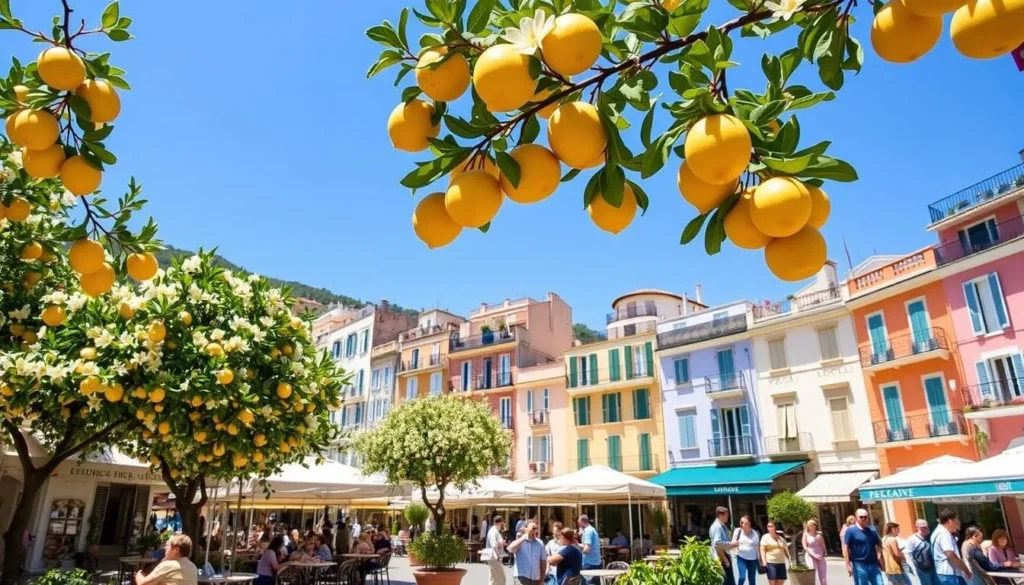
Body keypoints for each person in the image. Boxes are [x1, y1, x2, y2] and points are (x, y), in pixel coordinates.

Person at [845, 508, 885, 585]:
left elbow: (877, 546)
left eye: (865, 517)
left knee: (880, 583)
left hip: (873, 564)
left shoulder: (872, 530)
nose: (863, 519)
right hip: (859, 564)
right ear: (856, 517)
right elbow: (845, 547)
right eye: (861, 517)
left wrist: (881, 561)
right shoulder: (851, 531)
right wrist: (847, 564)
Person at [933, 508, 972, 585]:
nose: (957, 525)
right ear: (949, 521)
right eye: (956, 522)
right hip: (950, 574)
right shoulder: (944, 534)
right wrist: (966, 570)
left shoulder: (936, 532)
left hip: (943, 573)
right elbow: (950, 554)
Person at [510, 520, 547, 585]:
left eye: (536, 529)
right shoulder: (520, 541)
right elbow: (511, 548)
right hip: (522, 577)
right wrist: (525, 536)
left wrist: (542, 578)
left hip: (535, 578)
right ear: (525, 529)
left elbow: (543, 561)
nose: (535, 531)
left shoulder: (540, 543)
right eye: (533, 528)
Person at [710, 506, 739, 585]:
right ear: (721, 515)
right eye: (726, 515)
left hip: (722, 557)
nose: (727, 517)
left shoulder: (720, 526)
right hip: (722, 558)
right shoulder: (717, 527)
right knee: (727, 582)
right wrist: (725, 558)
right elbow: (717, 544)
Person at [904, 519, 936, 585]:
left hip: (934, 567)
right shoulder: (912, 539)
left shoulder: (931, 537)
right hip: (922, 569)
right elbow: (907, 554)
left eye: (926, 527)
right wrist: (913, 568)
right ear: (916, 527)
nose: (924, 529)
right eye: (922, 527)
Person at [732, 515, 761, 585]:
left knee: (752, 579)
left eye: (743, 522)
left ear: (749, 523)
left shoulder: (754, 533)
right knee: (742, 577)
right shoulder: (738, 531)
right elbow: (733, 542)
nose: (741, 524)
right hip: (741, 557)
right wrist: (735, 546)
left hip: (752, 559)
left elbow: (757, 546)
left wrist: (759, 559)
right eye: (741, 522)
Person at [760, 520, 790, 585]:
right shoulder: (765, 537)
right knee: (772, 582)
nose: (770, 528)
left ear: (775, 527)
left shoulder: (780, 538)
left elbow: (786, 549)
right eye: (768, 526)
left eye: (771, 526)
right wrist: (764, 562)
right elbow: (762, 550)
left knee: (781, 581)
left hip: (781, 562)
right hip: (771, 562)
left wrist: (783, 545)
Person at [577, 514, 602, 584]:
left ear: (582, 521)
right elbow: (587, 545)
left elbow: (587, 549)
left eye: (578, 521)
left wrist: (578, 553)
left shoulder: (588, 531)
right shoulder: (592, 529)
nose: (578, 523)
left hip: (589, 563)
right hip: (595, 562)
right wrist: (577, 544)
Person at [805, 519, 828, 585]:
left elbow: (823, 544)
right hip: (810, 554)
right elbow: (805, 545)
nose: (812, 527)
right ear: (808, 527)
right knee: (812, 572)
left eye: (814, 525)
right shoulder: (806, 534)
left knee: (823, 574)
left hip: (820, 554)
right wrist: (809, 552)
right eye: (811, 525)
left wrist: (825, 552)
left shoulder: (819, 535)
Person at [486, 515, 508, 585]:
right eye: (502, 523)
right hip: (494, 557)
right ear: (500, 522)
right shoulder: (493, 531)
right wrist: (502, 543)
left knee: (493, 579)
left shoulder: (494, 530)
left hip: (493, 557)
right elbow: (494, 544)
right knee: (501, 580)